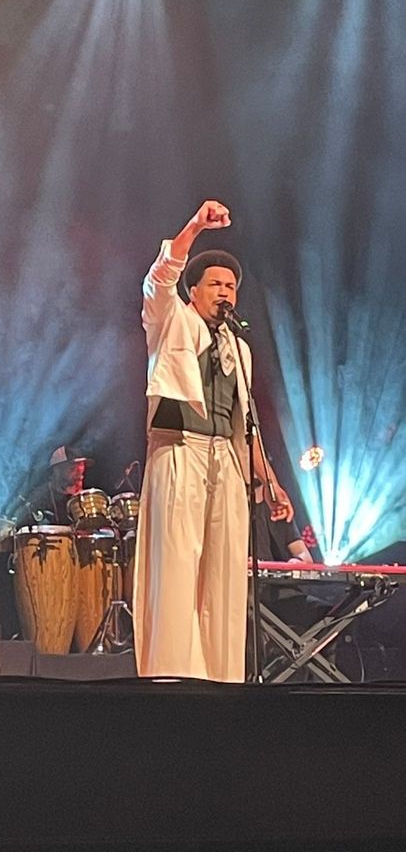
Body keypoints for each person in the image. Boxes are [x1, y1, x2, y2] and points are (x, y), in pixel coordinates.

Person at [133, 199, 294, 683]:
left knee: (224, 571)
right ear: (195, 291)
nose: (226, 292)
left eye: (231, 286)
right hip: (180, 449)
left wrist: (271, 481)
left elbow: (245, 422)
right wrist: (195, 227)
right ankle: (173, 674)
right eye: (216, 284)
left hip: (225, 459)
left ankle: (222, 677)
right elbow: (159, 277)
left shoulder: (238, 347)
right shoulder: (170, 321)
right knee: (179, 564)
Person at [20, 446, 92, 525]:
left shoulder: (86, 498)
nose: (80, 475)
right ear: (57, 470)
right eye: (72, 468)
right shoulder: (39, 498)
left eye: (81, 468)